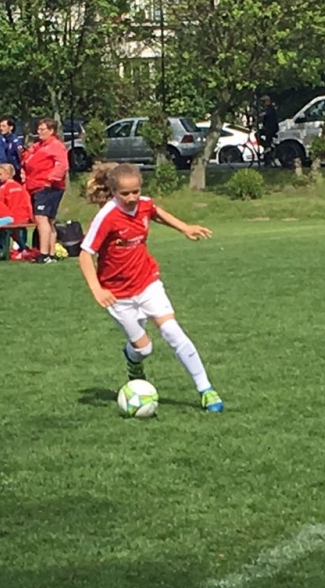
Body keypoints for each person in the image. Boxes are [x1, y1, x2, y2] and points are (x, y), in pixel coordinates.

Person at [80, 163, 224, 413]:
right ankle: (133, 360)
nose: (132, 198)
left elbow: (156, 212)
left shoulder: (144, 204)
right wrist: (97, 289)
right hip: (118, 295)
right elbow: (85, 254)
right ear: (113, 191)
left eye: (136, 191)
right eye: (125, 193)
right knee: (144, 348)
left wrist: (185, 227)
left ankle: (206, 390)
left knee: (172, 332)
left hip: (147, 282)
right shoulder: (106, 217)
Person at [21, 117, 68, 264]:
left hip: (48, 187)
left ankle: (44, 254)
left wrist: (50, 179)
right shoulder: (38, 146)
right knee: (48, 220)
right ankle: (51, 254)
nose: (39, 132)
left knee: (41, 218)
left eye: (42, 129)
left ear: (51, 131)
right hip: (35, 186)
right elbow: (27, 159)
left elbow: (62, 165)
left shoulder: (56, 146)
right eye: (38, 129)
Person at [0, 116, 23, 180]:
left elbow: (20, 155)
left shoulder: (15, 140)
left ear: (11, 127)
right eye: (0, 126)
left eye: (4, 126)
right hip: (5, 171)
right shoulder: (1, 140)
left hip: (15, 172)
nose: (1, 128)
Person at [259, 95, 279, 166]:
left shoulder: (270, 108)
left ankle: (268, 147)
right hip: (268, 128)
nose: (263, 104)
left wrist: (260, 115)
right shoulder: (267, 108)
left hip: (271, 129)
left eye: (264, 102)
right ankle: (268, 149)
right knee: (260, 135)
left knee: (258, 134)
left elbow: (266, 114)